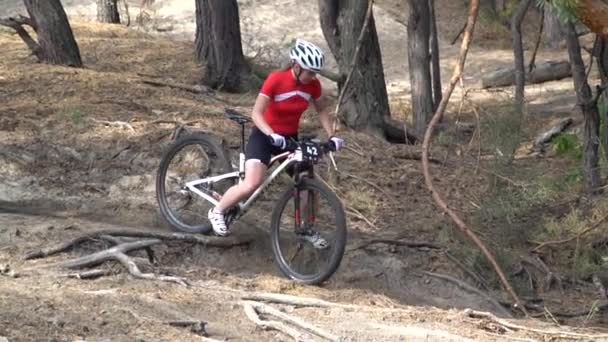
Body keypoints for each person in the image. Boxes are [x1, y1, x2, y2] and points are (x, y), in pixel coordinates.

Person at [208, 39, 343, 248]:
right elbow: (256, 113)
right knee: (252, 182)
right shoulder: (276, 79)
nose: (313, 77)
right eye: (310, 72)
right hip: (264, 136)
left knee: (308, 184)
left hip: (289, 139)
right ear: (296, 66)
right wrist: (271, 133)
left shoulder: (313, 85)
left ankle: (306, 227)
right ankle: (216, 211)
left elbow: (322, 111)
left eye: (316, 73)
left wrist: (332, 135)